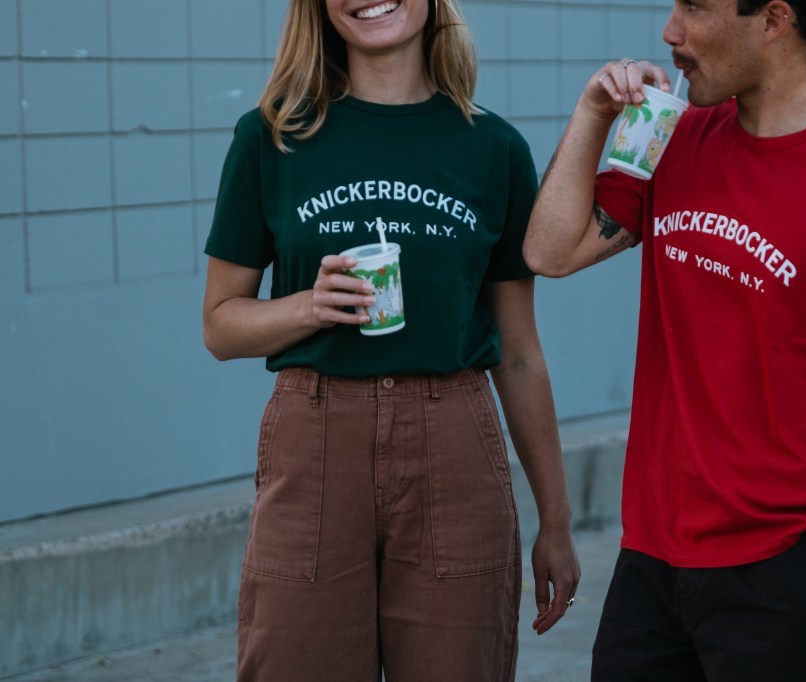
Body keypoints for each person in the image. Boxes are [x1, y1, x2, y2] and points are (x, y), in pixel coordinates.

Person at [524, 0, 806, 680]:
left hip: (790, 570)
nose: (670, 31)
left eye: (694, 8)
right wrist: (592, 113)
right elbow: (551, 252)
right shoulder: (674, 135)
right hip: (653, 563)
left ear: (775, 20)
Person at [201, 0, 580, 679]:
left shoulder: (493, 149)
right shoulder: (271, 136)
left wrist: (556, 518)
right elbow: (221, 325)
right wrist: (309, 306)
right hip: (313, 440)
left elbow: (519, 353)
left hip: (455, 446)